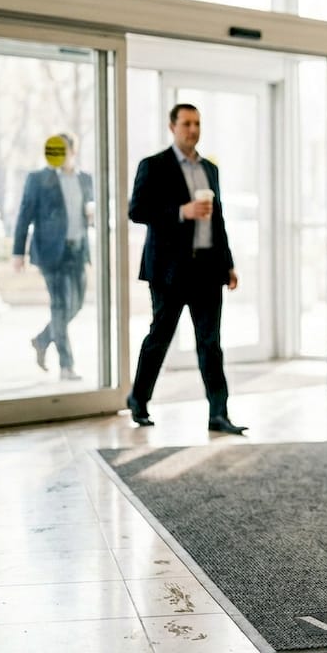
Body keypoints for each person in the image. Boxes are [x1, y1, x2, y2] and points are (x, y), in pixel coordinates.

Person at [125, 103, 247, 435]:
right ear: (172, 127)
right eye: (186, 123)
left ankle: (218, 413)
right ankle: (138, 399)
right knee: (160, 337)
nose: (193, 129)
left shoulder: (210, 169)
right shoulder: (154, 165)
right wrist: (182, 211)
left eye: (197, 123)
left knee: (211, 343)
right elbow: (136, 211)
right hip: (169, 270)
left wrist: (229, 263)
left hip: (208, 269)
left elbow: (217, 220)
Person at [12, 132, 93, 381]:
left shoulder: (85, 179)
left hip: (77, 250)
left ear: (73, 152)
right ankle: (66, 365)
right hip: (50, 252)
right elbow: (25, 214)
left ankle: (42, 339)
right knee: (59, 306)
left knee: (76, 305)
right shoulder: (38, 179)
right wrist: (18, 251)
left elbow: (90, 207)